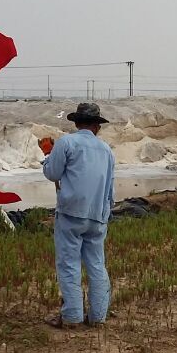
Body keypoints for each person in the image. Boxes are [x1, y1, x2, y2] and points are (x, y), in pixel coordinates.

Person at [41, 102, 116, 328]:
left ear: (76, 123)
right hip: (98, 214)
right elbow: (110, 187)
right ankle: (98, 316)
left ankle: (72, 316)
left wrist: (48, 154)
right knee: (96, 264)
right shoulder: (106, 150)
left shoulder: (66, 143)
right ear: (97, 126)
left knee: (69, 264)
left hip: (71, 212)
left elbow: (52, 173)